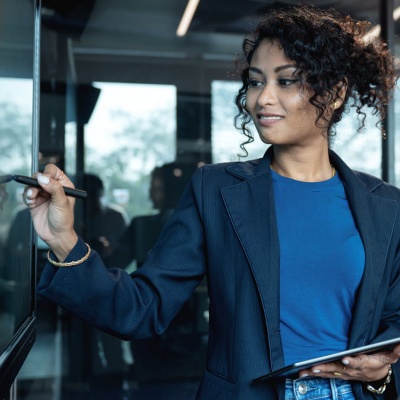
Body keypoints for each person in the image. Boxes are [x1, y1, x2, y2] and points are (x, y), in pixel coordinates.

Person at [24, 5, 400, 399]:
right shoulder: (215, 190)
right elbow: (144, 309)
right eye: (255, 82)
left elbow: (391, 322)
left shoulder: (385, 206)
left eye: (287, 81)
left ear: (336, 93)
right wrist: (63, 239)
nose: (263, 99)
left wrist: (379, 373)